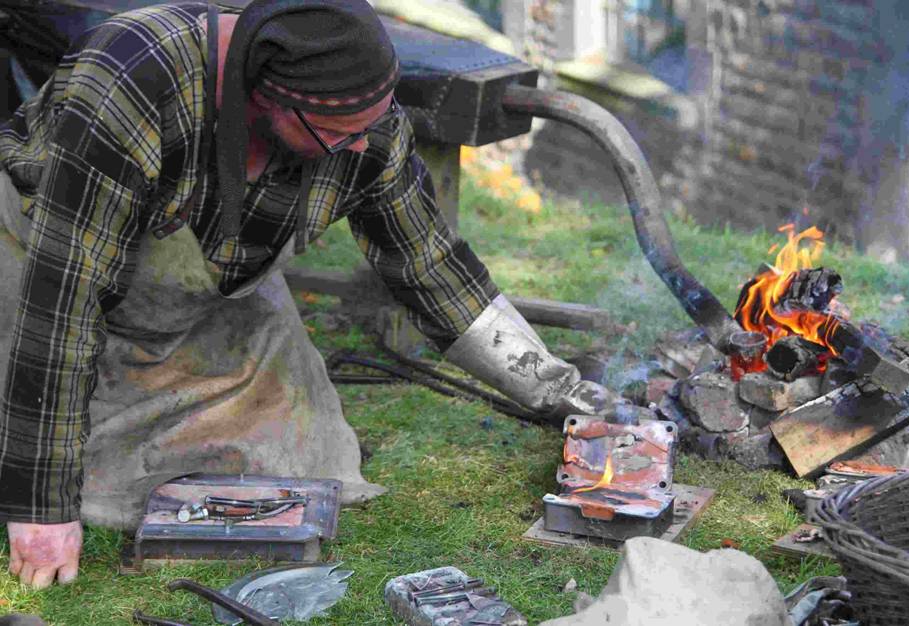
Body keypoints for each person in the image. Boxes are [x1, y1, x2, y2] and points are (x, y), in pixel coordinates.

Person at [0, 0, 626, 589]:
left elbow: (432, 268)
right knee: (56, 455)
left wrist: (563, 394)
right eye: (336, 134)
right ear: (259, 97)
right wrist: (40, 507)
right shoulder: (130, 77)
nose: (357, 148)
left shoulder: (365, 128)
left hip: (206, 295)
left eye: (367, 130)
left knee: (301, 460)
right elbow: (65, 305)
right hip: (45, 264)